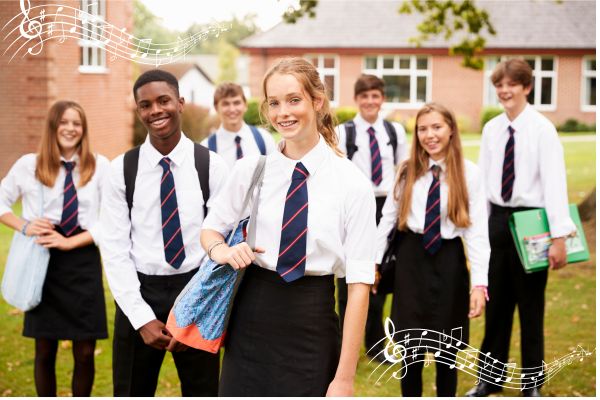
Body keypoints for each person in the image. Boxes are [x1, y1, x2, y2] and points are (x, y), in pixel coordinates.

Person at [201, 57, 376, 396]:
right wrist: (222, 250)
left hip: (312, 322)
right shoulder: (251, 170)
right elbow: (210, 229)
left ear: (317, 101)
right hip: (252, 315)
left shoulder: (351, 183)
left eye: (294, 100)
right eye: (274, 103)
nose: (284, 112)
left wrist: (344, 378)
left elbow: (358, 287)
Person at [99, 70, 228, 396]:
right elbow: (114, 250)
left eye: (163, 100)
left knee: (203, 391)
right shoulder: (121, 171)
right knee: (131, 390)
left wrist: (197, 307)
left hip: (198, 289)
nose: (155, 110)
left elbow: (224, 239)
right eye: (145, 105)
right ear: (138, 111)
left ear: (180, 103)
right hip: (139, 292)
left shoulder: (210, 165)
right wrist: (141, 318)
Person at [466, 59, 575, 398]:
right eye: (499, 84)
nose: (504, 90)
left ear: (527, 87)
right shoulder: (491, 129)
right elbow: (483, 182)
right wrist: (478, 230)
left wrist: (559, 237)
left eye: (512, 84)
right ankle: (490, 378)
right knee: (496, 305)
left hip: (532, 223)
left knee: (530, 306)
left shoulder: (543, 129)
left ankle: (531, 384)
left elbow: (555, 184)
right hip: (497, 220)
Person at [376, 102, 489, 396]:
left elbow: (477, 234)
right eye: (423, 129)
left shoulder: (470, 174)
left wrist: (479, 284)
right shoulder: (406, 171)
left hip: (449, 261)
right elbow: (387, 220)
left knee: (446, 353)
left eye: (437, 127)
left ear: (451, 129)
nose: (430, 135)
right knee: (410, 350)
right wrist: (374, 264)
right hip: (411, 263)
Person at [0, 100, 109, 396]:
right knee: (45, 350)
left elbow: (112, 218)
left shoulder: (100, 166)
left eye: (77, 123)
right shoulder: (29, 165)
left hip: (83, 259)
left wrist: (71, 241)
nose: (71, 129)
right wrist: (24, 225)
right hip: (43, 260)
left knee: (85, 352)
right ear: (53, 127)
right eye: (64, 122)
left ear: (83, 129)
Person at [335, 74, 408, 362]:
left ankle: (376, 344)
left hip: (387, 208)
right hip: (354, 207)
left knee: (380, 276)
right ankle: (342, 345)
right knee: (348, 275)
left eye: (375, 96)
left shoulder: (395, 131)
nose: (370, 101)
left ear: (382, 99)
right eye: (364, 96)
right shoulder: (344, 132)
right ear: (357, 100)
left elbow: (403, 172)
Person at [201, 82, 277, 167]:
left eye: (236, 103)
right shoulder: (205, 149)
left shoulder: (264, 138)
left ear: (245, 105)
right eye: (225, 104)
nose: (232, 109)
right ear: (216, 108)